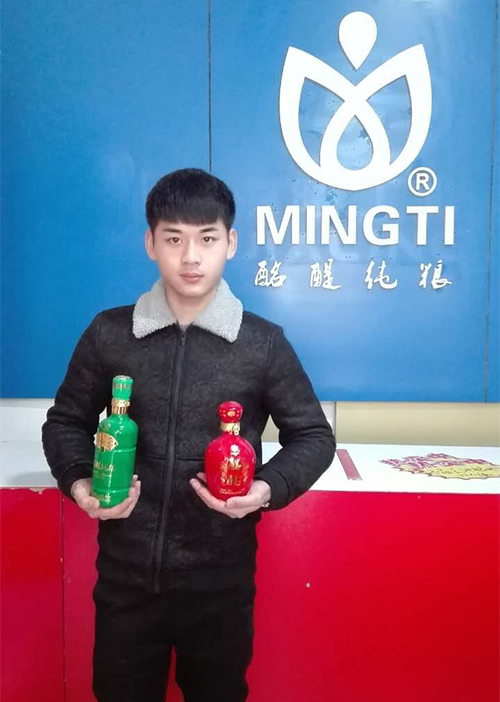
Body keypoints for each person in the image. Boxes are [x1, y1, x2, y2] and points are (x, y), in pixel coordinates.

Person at [42, 168, 336, 702]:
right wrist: (81, 483)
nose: (191, 257)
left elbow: (314, 436)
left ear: (231, 243)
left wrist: (264, 490)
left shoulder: (262, 344)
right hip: (126, 578)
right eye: (174, 239)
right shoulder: (111, 333)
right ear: (150, 243)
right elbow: (65, 422)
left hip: (220, 580)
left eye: (207, 238)